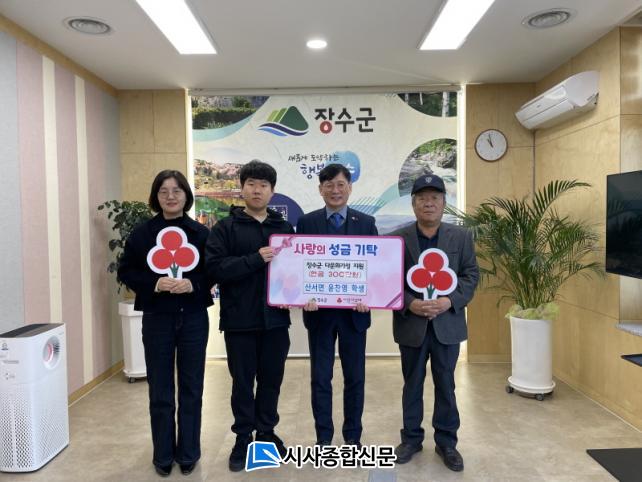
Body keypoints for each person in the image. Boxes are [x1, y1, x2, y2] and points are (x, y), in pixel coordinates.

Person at [118, 170, 213, 477]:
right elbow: (126, 271)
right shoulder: (142, 234)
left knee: (192, 387)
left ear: (186, 195)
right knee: (159, 388)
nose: (171, 196)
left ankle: (188, 453)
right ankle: (162, 454)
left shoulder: (201, 233)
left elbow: (214, 270)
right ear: (155, 196)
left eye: (177, 190)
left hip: (193, 317)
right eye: (163, 191)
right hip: (157, 317)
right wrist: (155, 283)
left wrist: (193, 284)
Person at [205, 160, 294, 472]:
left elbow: (295, 273)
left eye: (263, 185)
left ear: (272, 190)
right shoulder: (225, 228)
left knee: (272, 380)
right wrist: (254, 259)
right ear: (241, 188)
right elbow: (215, 269)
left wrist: (301, 294)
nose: (257, 190)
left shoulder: (284, 229)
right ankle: (243, 437)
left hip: (276, 320)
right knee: (242, 383)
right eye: (251, 184)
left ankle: (266, 432)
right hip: (239, 320)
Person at [391, 174, 479, 471]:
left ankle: (447, 442)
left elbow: (470, 275)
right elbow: (388, 279)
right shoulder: (397, 238)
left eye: (434, 198)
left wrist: (449, 301)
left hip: (447, 324)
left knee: (446, 384)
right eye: (422, 198)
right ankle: (411, 439)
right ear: (413, 204)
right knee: (412, 384)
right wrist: (410, 303)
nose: (428, 203)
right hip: (411, 325)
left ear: (444, 203)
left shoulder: (461, 237)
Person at [296, 163, 378, 447]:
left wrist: (369, 297)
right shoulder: (306, 223)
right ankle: (323, 437)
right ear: (320, 189)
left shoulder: (366, 222)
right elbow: (299, 266)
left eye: (340, 184)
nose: (335, 190)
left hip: (355, 315)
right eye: (329, 185)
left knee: (355, 378)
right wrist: (302, 295)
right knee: (321, 378)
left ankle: (352, 436)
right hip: (318, 313)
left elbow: (376, 267)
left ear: (350, 188)